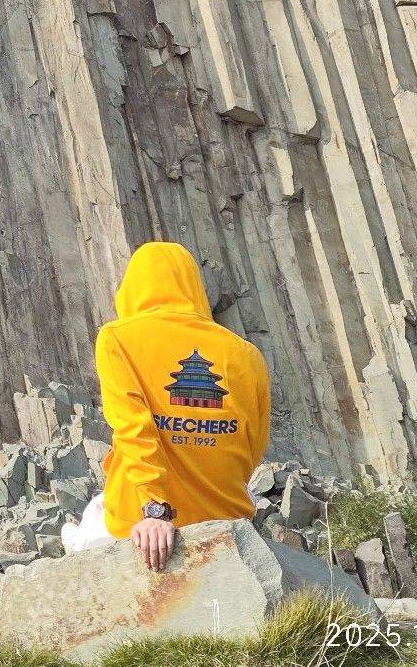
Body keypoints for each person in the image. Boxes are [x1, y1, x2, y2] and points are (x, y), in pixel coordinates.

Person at [69, 241, 270, 571]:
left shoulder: (119, 338)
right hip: (227, 515)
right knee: (96, 507)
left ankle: (79, 540)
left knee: (93, 519)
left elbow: (134, 429)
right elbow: (253, 444)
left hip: (145, 519)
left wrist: (154, 510)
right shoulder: (245, 353)